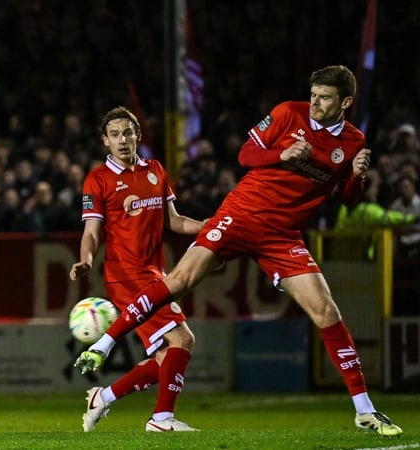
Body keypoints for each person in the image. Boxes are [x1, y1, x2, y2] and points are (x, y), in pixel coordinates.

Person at [74, 66, 404, 436]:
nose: (314, 102)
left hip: (282, 235)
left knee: (325, 310)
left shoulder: (353, 142)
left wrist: (357, 177)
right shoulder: (287, 113)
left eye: (324, 97)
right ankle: (105, 345)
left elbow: (347, 200)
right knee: (180, 281)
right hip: (241, 215)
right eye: (312, 94)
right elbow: (247, 156)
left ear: (345, 102)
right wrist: (282, 154)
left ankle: (364, 410)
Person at [70, 106, 207, 433]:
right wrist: (87, 259)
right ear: (105, 141)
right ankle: (161, 419)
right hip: (126, 276)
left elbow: (175, 221)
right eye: (114, 134)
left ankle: (103, 397)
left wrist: (210, 227)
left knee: (165, 360)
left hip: (155, 273)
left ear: (137, 136)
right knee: (182, 339)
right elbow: (91, 230)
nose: (122, 139)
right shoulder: (98, 179)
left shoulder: (156, 170)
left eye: (127, 133)